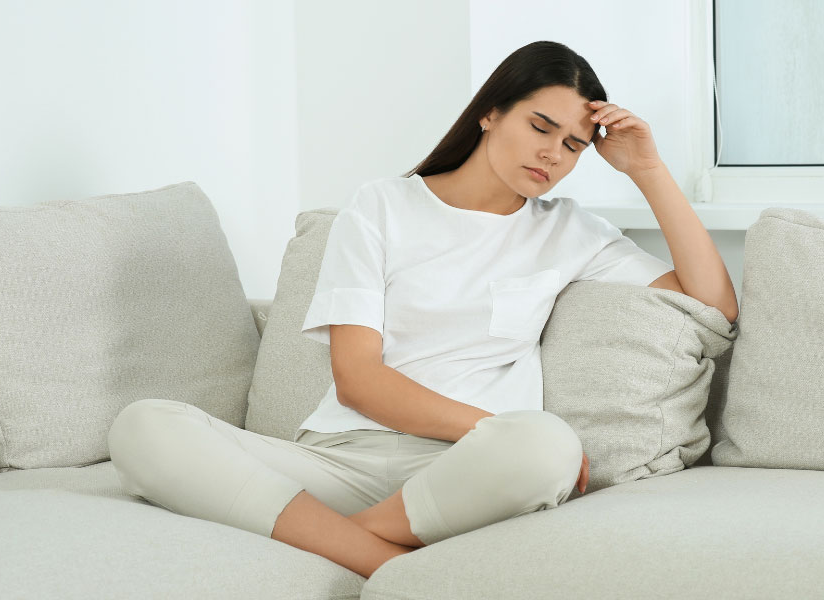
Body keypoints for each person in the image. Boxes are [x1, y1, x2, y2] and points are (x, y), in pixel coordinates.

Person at [106, 40, 690, 581]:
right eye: (541, 126)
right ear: (490, 112)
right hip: (339, 461)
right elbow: (358, 380)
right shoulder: (381, 206)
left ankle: (329, 547)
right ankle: (387, 564)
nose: (552, 154)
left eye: (573, 146)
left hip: (468, 474)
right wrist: (490, 425)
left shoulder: (570, 231)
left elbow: (711, 303)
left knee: (548, 446)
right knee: (144, 425)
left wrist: (648, 169)